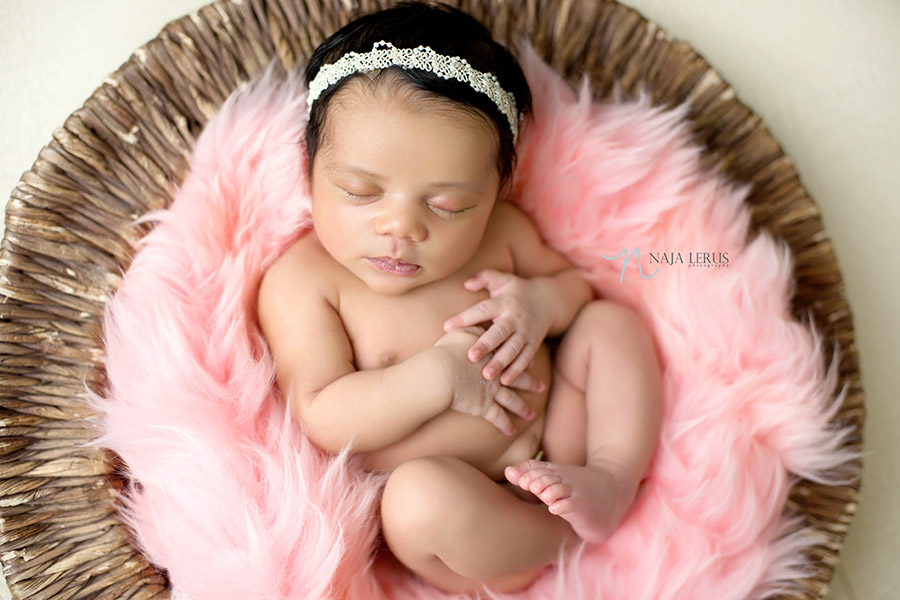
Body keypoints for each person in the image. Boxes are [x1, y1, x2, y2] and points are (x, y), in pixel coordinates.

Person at [256, 1, 663, 594]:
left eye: (449, 205)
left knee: (608, 324)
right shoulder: (304, 281)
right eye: (361, 191)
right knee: (415, 500)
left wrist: (541, 303)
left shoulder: (502, 234)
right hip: (463, 515)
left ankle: (612, 477)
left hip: (561, 437)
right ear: (309, 169)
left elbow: (574, 289)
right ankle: (562, 540)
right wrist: (438, 376)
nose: (401, 227)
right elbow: (320, 411)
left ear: (496, 191)